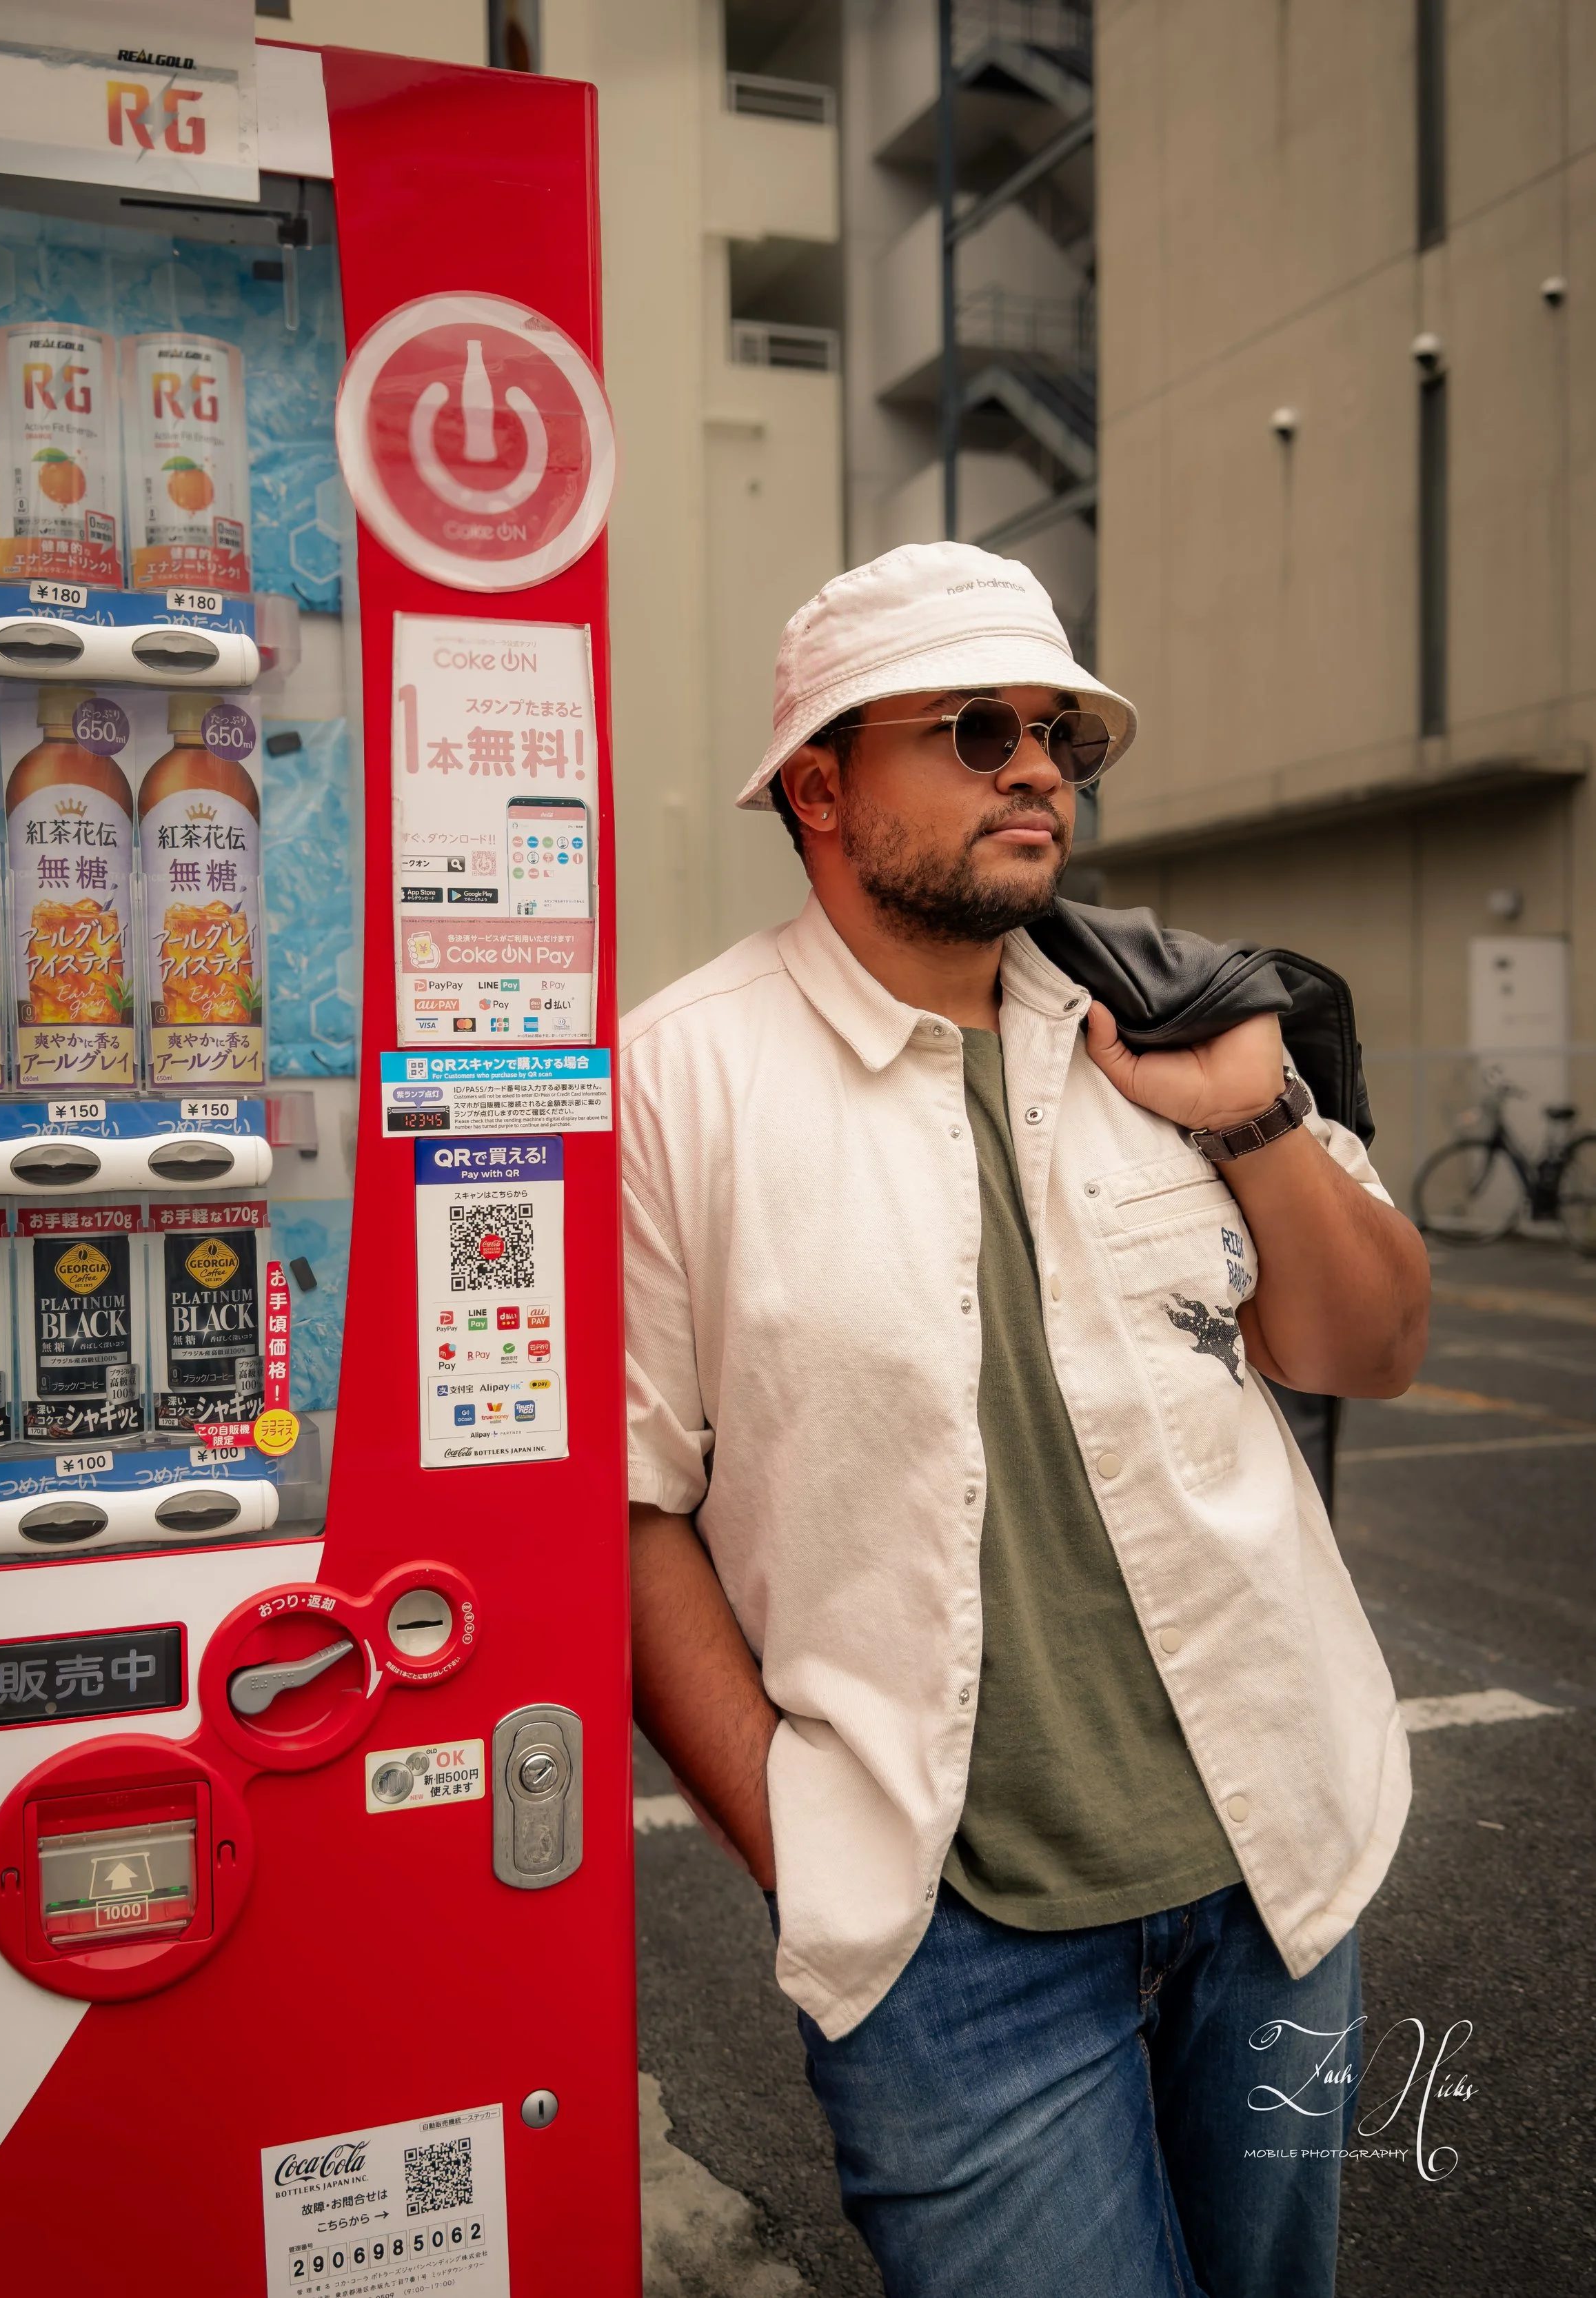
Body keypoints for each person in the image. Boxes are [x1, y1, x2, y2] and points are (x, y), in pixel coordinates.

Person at [623, 543, 1429, 2298]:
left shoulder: (1167, 1018)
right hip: (950, 1947)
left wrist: (1252, 1117)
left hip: (1277, 1878)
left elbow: (1366, 1343)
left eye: (1058, 733)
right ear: (819, 787)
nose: (1036, 767)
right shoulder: (673, 1083)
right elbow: (629, 1507)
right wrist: (793, 1829)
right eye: (977, 726)